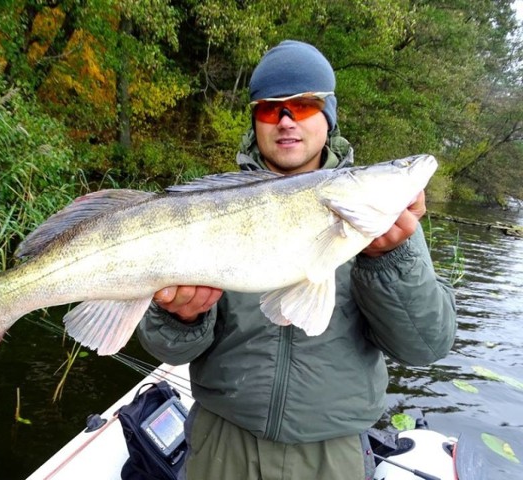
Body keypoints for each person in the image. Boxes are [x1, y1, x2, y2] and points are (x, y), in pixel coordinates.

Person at [136, 40, 457, 480]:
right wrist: (180, 319)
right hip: (221, 446)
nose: (286, 121)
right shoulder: (211, 203)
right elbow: (166, 349)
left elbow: (425, 346)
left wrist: (391, 261)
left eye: (304, 106)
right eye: (270, 109)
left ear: (329, 116)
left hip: (333, 455)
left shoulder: (383, 222)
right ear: (255, 120)